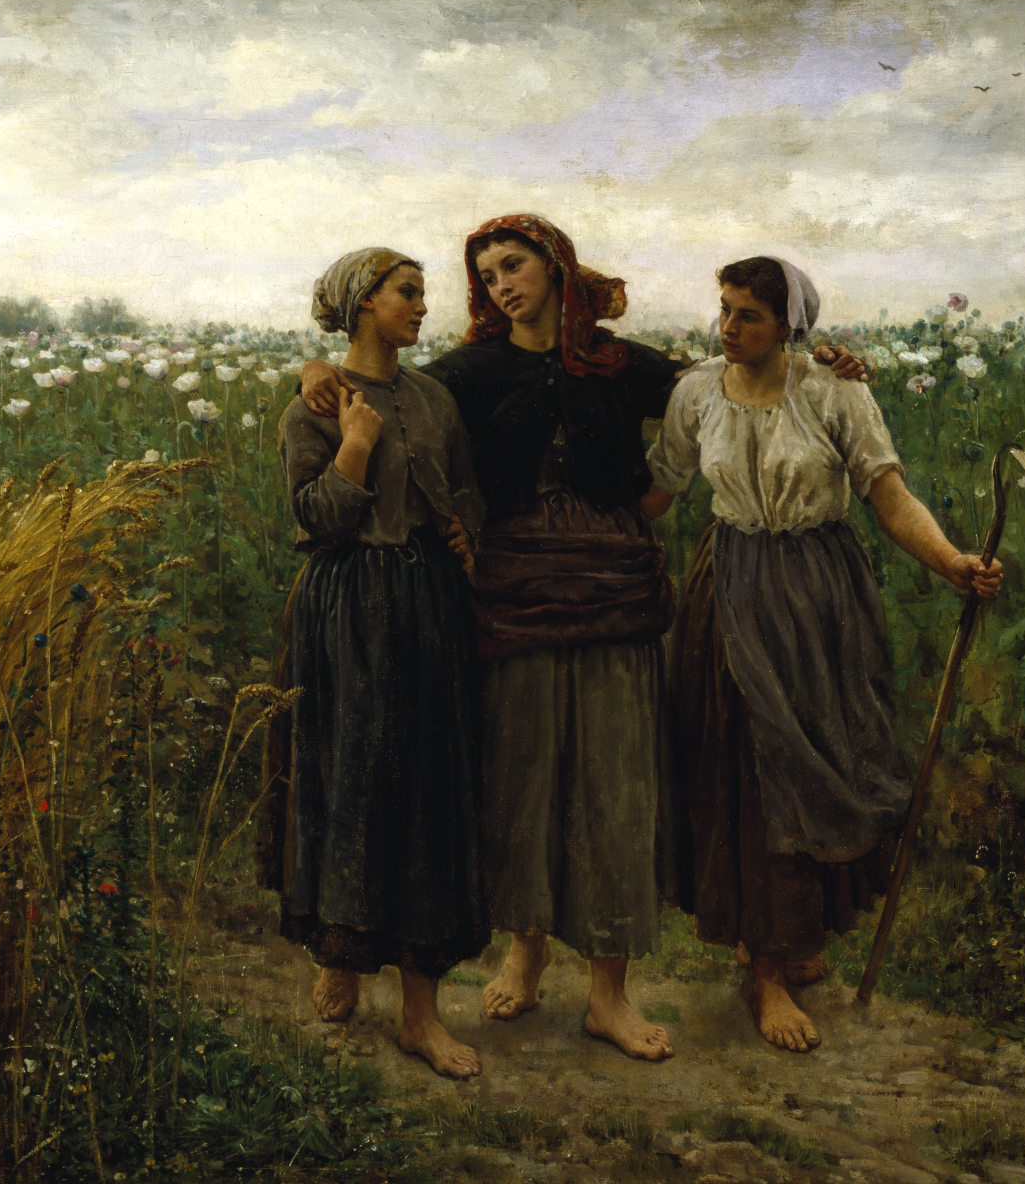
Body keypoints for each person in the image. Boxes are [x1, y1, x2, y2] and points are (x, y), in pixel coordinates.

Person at [298, 216, 870, 1061]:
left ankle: (609, 996)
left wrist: (835, 362)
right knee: (523, 783)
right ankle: (526, 953)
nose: (501, 285)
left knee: (615, 785)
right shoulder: (468, 372)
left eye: (515, 266)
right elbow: (380, 389)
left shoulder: (625, 364)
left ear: (558, 268)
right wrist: (315, 366)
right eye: (487, 274)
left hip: (614, 599)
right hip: (517, 598)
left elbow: (736, 375)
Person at [641, 257, 1002, 1053]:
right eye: (724, 310)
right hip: (728, 588)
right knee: (749, 769)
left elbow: (889, 494)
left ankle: (792, 940)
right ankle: (764, 969)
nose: (728, 327)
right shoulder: (698, 392)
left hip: (818, 596)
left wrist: (951, 562)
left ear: (790, 327)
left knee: (817, 767)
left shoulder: (837, 391)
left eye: (748, 316)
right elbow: (660, 489)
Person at [267, 246, 487, 1078]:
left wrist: (465, 527)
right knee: (351, 782)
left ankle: (422, 1016)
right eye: (408, 294)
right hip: (346, 614)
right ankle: (340, 956)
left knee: (426, 794)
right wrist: (354, 446)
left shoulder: (434, 399)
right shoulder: (314, 409)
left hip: (426, 611)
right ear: (363, 303)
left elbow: (467, 493)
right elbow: (316, 521)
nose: (421, 308)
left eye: (423, 295)